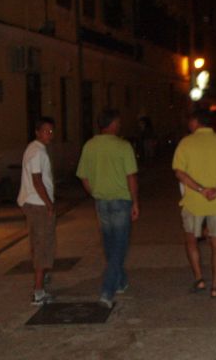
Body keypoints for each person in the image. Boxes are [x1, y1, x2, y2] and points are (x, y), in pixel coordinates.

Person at [76, 109, 140, 309]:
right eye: (118, 122)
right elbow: (131, 176)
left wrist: (95, 192)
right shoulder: (123, 146)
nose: (120, 125)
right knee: (119, 246)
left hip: (101, 201)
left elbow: (83, 176)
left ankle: (120, 281)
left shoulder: (89, 146)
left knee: (110, 244)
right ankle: (107, 291)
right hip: (121, 200)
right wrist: (135, 201)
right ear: (112, 124)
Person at [172, 109, 216, 298]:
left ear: (195, 121)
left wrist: (201, 190)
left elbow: (179, 173)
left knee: (191, 241)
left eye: (190, 121)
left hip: (194, 202)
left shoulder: (186, 143)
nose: (189, 125)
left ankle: (199, 279)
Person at [17, 116, 56, 306]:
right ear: (37, 132)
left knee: (40, 244)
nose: (50, 134)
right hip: (38, 204)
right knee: (42, 246)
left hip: (33, 202)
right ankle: (38, 291)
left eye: (51, 131)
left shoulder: (33, 148)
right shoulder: (37, 152)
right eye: (46, 131)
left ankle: (42, 281)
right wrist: (48, 203)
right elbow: (37, 179)